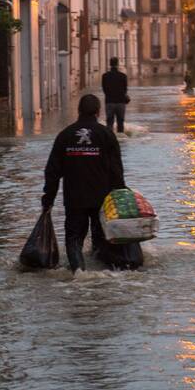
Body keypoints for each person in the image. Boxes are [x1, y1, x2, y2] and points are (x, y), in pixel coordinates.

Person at [43, 94, 126, 272]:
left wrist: (48, 199)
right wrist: (120, 195)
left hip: (75, 199)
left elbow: (52, 172)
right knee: (100, 237)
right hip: (101, 200)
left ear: (79, 111)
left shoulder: (64, 136)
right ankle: (101, 274)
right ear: (98, 111)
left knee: (74, 239)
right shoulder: (106, 134)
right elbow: (116, 171)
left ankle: (78, 274)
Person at [101, 57, 129, 133]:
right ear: (117, 64)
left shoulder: (105, 76)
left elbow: (104, 89)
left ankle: (109, 140)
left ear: (110, 64)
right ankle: (121, 140)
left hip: (109, 102)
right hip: (120, 103)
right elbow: (125, 90)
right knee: (120, 124)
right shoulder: (123, 76)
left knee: (109, 124)